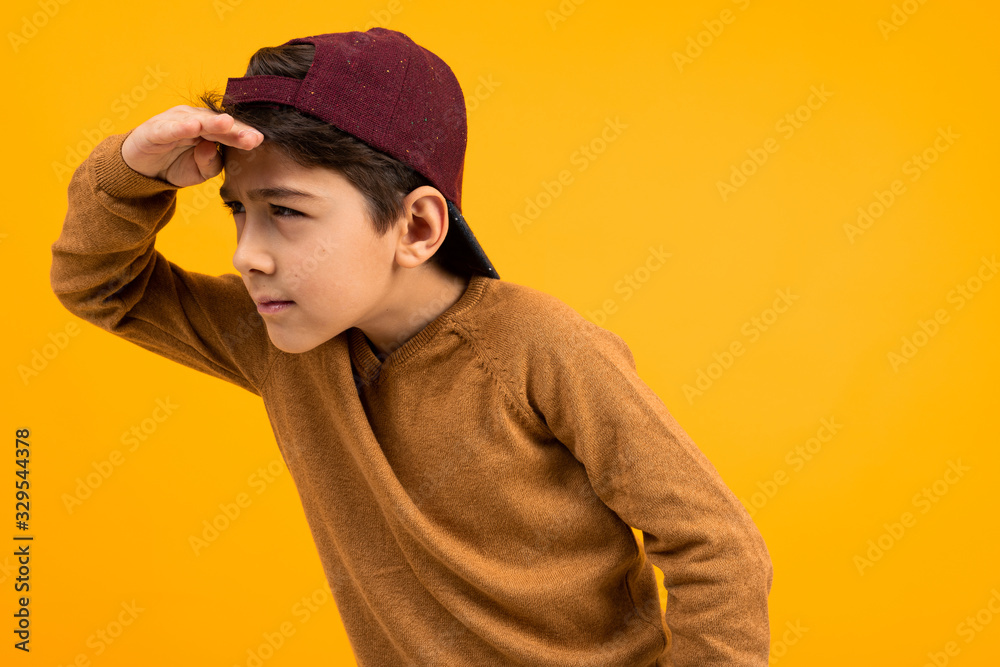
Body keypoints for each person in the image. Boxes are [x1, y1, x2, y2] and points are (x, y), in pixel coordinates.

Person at [50, 27, 772, 666]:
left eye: (287, 214)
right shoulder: (279, 341)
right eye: (240, 213)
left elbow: (718, 546)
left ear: (419, 228)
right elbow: (102, 285)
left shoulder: (537, 345)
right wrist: (131, 172)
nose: (248, 255)